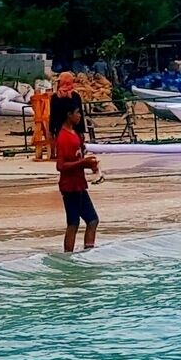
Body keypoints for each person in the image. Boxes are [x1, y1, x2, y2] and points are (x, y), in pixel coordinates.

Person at [53, 105, 101, 252]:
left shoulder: (75, 134)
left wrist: (89, 165)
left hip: (79, 183)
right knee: (75, 222)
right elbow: (60, 166)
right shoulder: (63, 137)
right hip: (70, 185)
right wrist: (83, 163)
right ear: (69, 115)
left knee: (90, 221)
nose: (79, 116)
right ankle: (71, 255)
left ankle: (86, 253)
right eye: (77, 113)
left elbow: (76, 160)